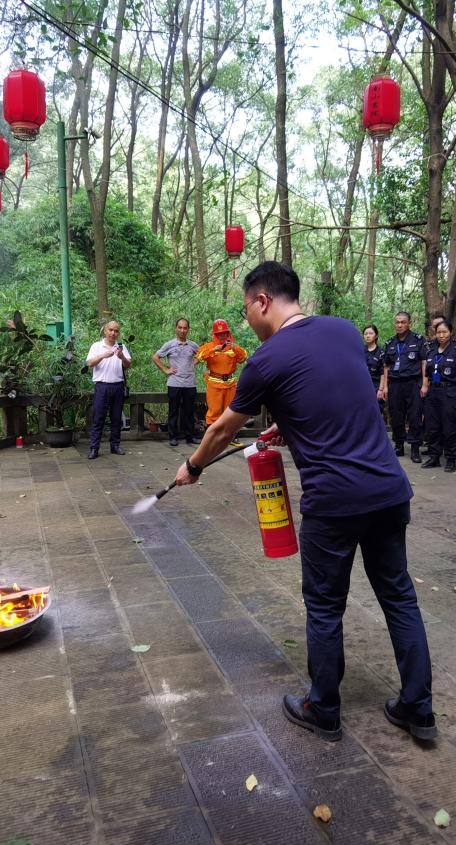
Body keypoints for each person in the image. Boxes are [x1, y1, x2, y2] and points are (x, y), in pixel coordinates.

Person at [173, 261, 436, 743]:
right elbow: (339, 395)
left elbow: (222, 430)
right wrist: (290, 422)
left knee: (324, 606)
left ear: (262, 301)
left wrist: (193, 466)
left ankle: (324, 708)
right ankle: (418, 709)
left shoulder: (265, 361)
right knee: (399, 597)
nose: (247, 319)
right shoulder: (345, 331)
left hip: (334, 502)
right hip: (388, 490)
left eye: (246, 309)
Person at [377, 312, 428, 462]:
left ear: (409, 323)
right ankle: (399, 445)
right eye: (397, 322)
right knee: (396, 415)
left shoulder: (418, 340)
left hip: (413, 383)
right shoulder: (390, 342)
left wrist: (425, 384)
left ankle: (415, 448)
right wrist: (385, 387)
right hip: (395, 384)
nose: (399, 325)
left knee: (414, 416)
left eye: (403, 322)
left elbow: (424, 362)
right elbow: (386, 366)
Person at [421, 320, 456, 471]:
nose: (441, 335)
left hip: (449, 392)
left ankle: (451, 459)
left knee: (450, 426)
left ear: (451, 333)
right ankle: (434, 457)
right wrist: (426, 386)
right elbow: (427, 372)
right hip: (433, 391)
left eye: (444, 332)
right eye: (438, 332)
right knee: (433, 426)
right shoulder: (431, 351)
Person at [86, 319, 132, 459]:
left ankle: (115, 445)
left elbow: (128, 364)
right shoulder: (97, 346)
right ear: (105, 331)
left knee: (116, 418)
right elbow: (89, 363)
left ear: (119, 333)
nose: (113, 333)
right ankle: (94, 448)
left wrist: (122, 356)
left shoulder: (121, 346)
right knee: (98, 418)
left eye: (116, 331)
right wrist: (103, 355)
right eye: (110, 330)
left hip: (118, 386)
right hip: (102, 386)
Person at [152, 317, 200, 447]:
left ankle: (190, 436)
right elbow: (155, 357)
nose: (182, 330)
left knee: (189, 411)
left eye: (185, 328)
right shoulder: (170, 344)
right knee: (173, 411)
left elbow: (203, 355)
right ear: (176, 328)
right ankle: (173, 437)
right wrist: (165, 370)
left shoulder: (193, 345)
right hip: (174, 383)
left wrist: (193, 363)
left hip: (189, 384)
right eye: (180, 327)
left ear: (188, 329)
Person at [195, 319, 247, 427]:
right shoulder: (209, 346)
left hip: (230, 384)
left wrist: (235, 348)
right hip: (214, 384)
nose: (222, 335)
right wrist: (213, 350)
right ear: (215, 334)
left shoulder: (233, 347)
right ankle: (212, 435)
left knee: (230, 412)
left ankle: (230, 435)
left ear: (228, 333)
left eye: (224, 333)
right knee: (214, 413)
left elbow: (243, 358)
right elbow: (199, 357)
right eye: (219, 334)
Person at [363, 325, 384, 391]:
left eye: (371, 333)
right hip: (361, 384)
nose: (368, 336)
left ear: (376, 336)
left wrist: (381, 389)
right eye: (365, 334)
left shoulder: (381, 352)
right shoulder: (360, 350)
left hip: (375, 386)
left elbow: (383, 372)